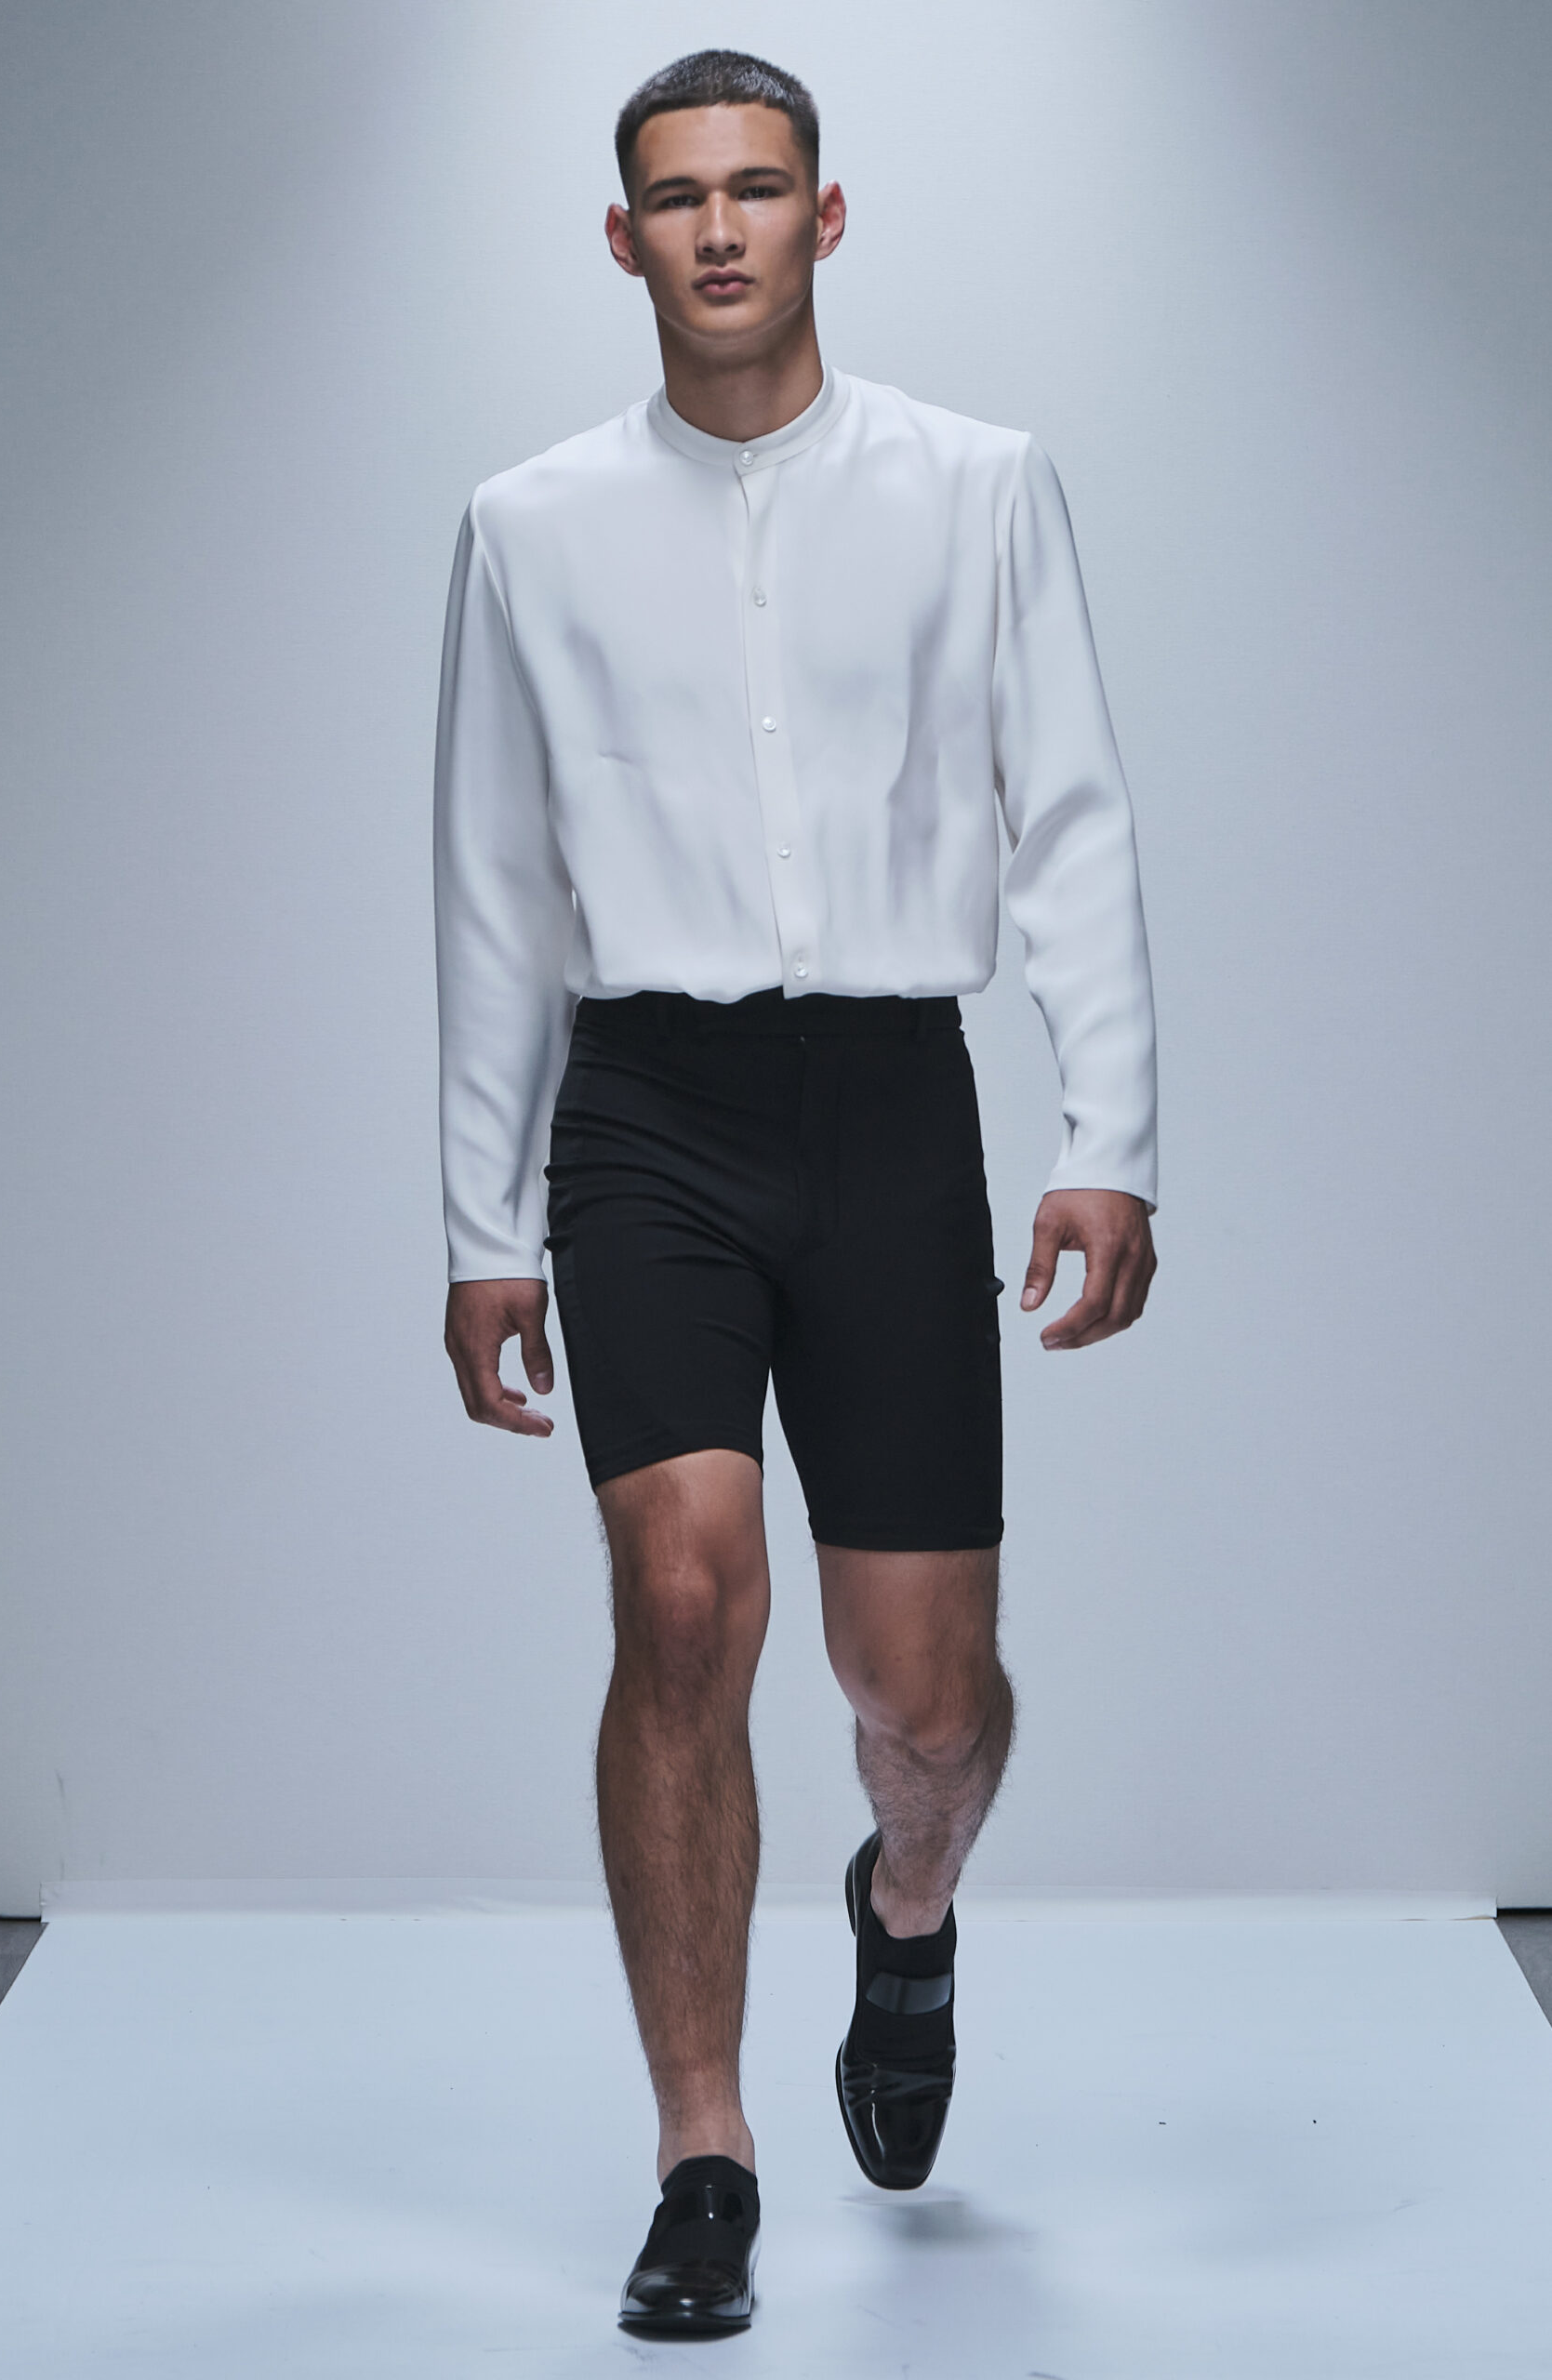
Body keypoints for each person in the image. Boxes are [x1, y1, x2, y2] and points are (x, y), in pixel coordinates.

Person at [433, 47, 1157, 2338]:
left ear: (824, 219)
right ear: (621, 236)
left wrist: (1107, 1134)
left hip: (889, 1104)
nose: (720, 229)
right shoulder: (526, 527)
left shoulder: (977, 487)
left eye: (758, 189)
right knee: (680, 1600)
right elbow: (491, 887)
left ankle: (905, 1907)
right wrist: (479, 1219)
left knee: (915, 1693)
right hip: (643, 1110)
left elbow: (1071, 813)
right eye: (677, 197)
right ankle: (702, 2152)